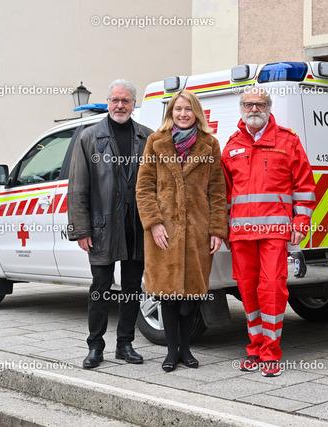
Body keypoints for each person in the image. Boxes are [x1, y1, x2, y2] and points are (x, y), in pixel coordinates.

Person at [221, 87, 316, 377]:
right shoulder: (231, 145)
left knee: (272, 288)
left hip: (275, 231)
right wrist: (223, 228)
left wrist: (301, 222)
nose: (254, 109)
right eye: (248, 104)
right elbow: (224, 194)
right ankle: (255, 348)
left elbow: (304, 186)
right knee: (247, 290)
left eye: (260, 104)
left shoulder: (288, 141)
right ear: (242, 108)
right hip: (241, 234)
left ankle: (271, 352)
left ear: (269, 107)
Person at [136, 89, 227, 373]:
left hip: (197, 231)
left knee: (191, 296)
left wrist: (216, 229)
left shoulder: (210, 144)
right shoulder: (155, 142)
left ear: (196, 112)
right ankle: (171, 352)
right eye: (178, 109)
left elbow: (217, 190)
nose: (183, 114)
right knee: (167, 295)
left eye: (188, 109)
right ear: (171, 113)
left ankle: (186, 350)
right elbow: (144, 187)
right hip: (164, 232)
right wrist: (154, 223)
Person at [68, 79, 153, 369]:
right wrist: (81, 230)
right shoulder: (89, 137)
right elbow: (78, 188)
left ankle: (125, 344)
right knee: (100, 287)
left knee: (132, 287)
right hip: (102, 227)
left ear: (133, 104)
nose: (120, 105)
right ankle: (95, 347)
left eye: (126, 100)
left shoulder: (147, 137)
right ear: (108, 103)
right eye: (115, 100)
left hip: (136, 226)